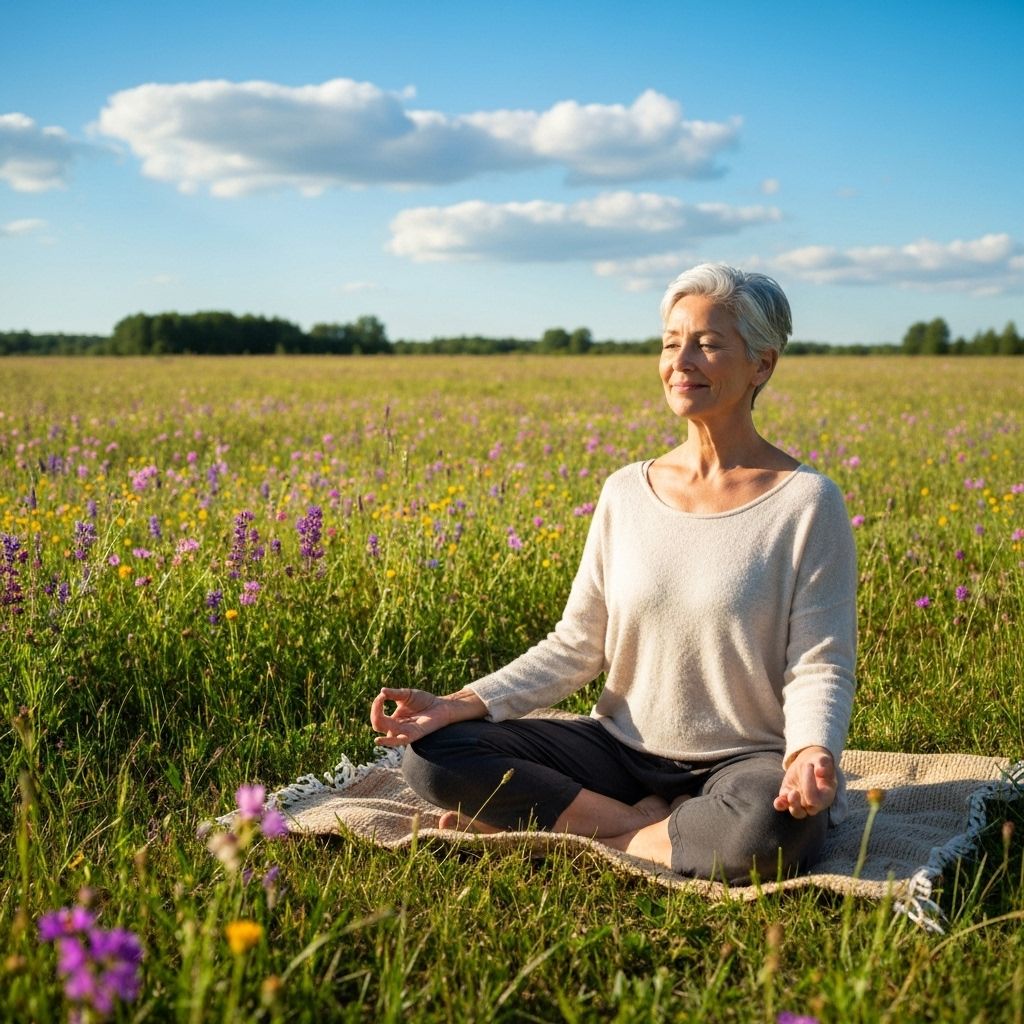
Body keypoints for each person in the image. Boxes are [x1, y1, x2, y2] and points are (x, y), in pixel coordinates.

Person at [370, 263, 857, 884]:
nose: (681, 361)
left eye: (708, 344)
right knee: (433, 755)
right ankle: (648, 824)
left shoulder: (807, 502)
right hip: (619, 752)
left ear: (762, 364)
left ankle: (566, 831)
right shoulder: (626, 491)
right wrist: (459, 704)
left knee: (770, 830)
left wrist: (811, 751)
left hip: (742, 761)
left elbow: (821, 662)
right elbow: (576, 644)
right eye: (670, 342)